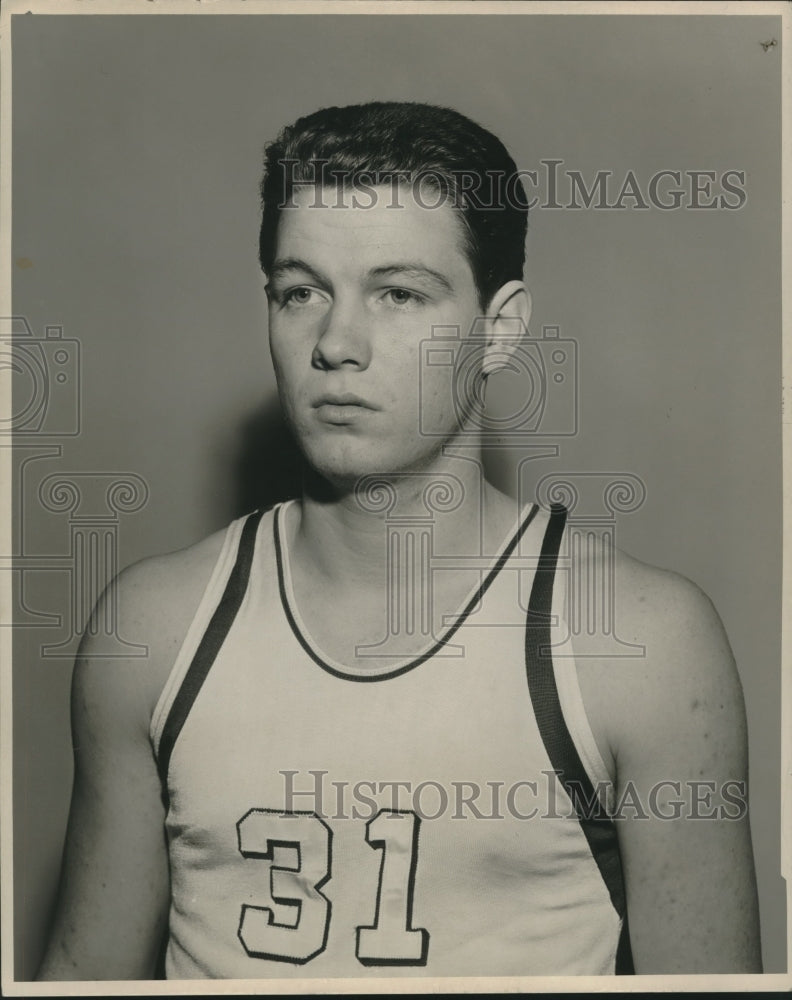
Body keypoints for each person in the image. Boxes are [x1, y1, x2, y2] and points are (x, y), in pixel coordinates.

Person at [36, 102, 762, 980]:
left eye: (399, 294)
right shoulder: (151, 629)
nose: (337, 343)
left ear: (500, 327)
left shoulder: (640, 644)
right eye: (301, 291)